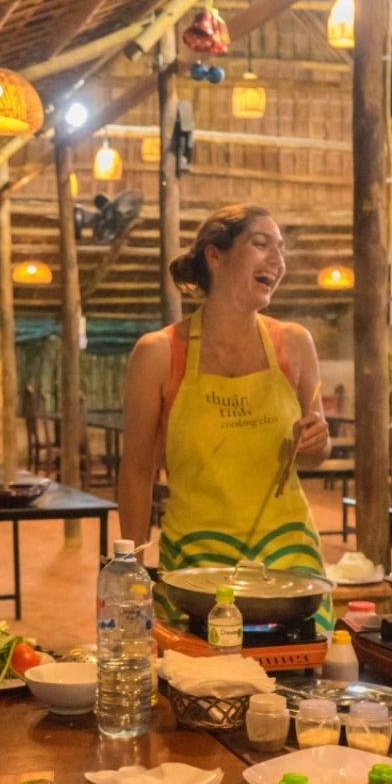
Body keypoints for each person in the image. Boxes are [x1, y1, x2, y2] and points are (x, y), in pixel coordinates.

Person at [117, 205, 330, 629]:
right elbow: (137, 471)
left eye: (282, 249)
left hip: (288, 566)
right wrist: (131, 570)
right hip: (195, 566)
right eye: (261, 243)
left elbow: (312, 455)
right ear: (215, 255)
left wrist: (318, 443)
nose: (278, 261)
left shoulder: (295, 344)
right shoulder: (159, 353)